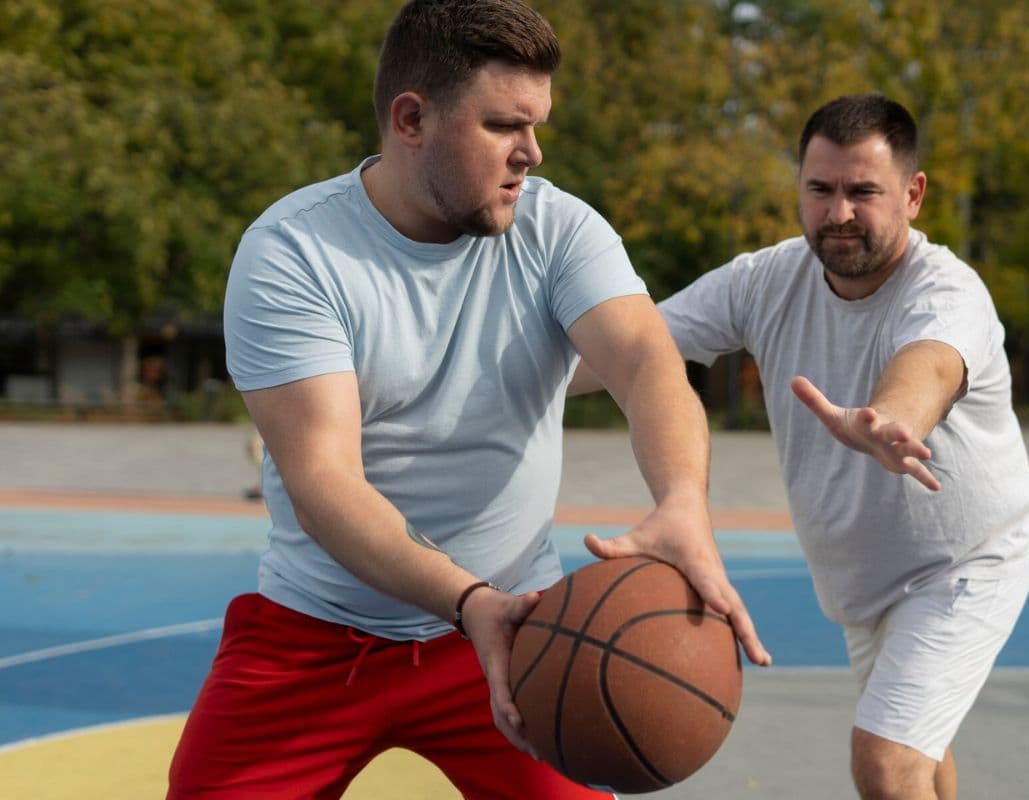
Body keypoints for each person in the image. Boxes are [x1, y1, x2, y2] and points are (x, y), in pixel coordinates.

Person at [166, 2, 769, 798]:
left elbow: (645, 362)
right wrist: (465, 600)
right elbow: (324, 483)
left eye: (536, 125)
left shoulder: (560, 231)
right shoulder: (296, 253)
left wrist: (683, 500)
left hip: (518, 627)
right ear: (411, 119)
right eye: (503, 125)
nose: (532, 153)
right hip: (319, 634)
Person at [572, 94, 1029, 800]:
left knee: (885, 762)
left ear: (912, 195)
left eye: (863, 192)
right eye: (820, 189)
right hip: (867, 583)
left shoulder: (948, 292)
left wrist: (890, 418)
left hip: (963, 565)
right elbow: (632, 348)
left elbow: (931, 364)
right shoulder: (765, 280)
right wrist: (503, 386)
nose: (838, 212)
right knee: (919, 749)